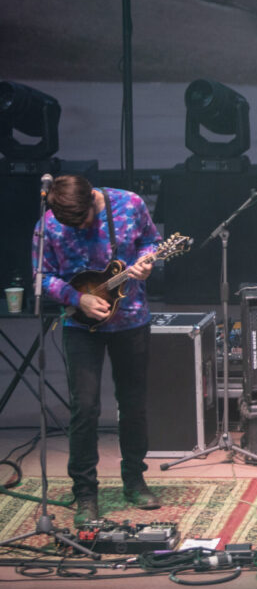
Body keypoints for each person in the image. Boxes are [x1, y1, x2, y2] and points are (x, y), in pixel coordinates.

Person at [35, 174, 163, 527]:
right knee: (85, 407)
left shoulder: (129, 204)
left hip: (131, 320)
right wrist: (78, 298)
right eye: (74, 225)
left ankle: (135, 481)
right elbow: (41, 276)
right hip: (80, 325)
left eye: (86, 220)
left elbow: (151, 241)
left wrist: (147, 262)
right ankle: (85, 494)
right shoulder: (50, 223)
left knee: (133, 404)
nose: (83, 228)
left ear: (93, 197)